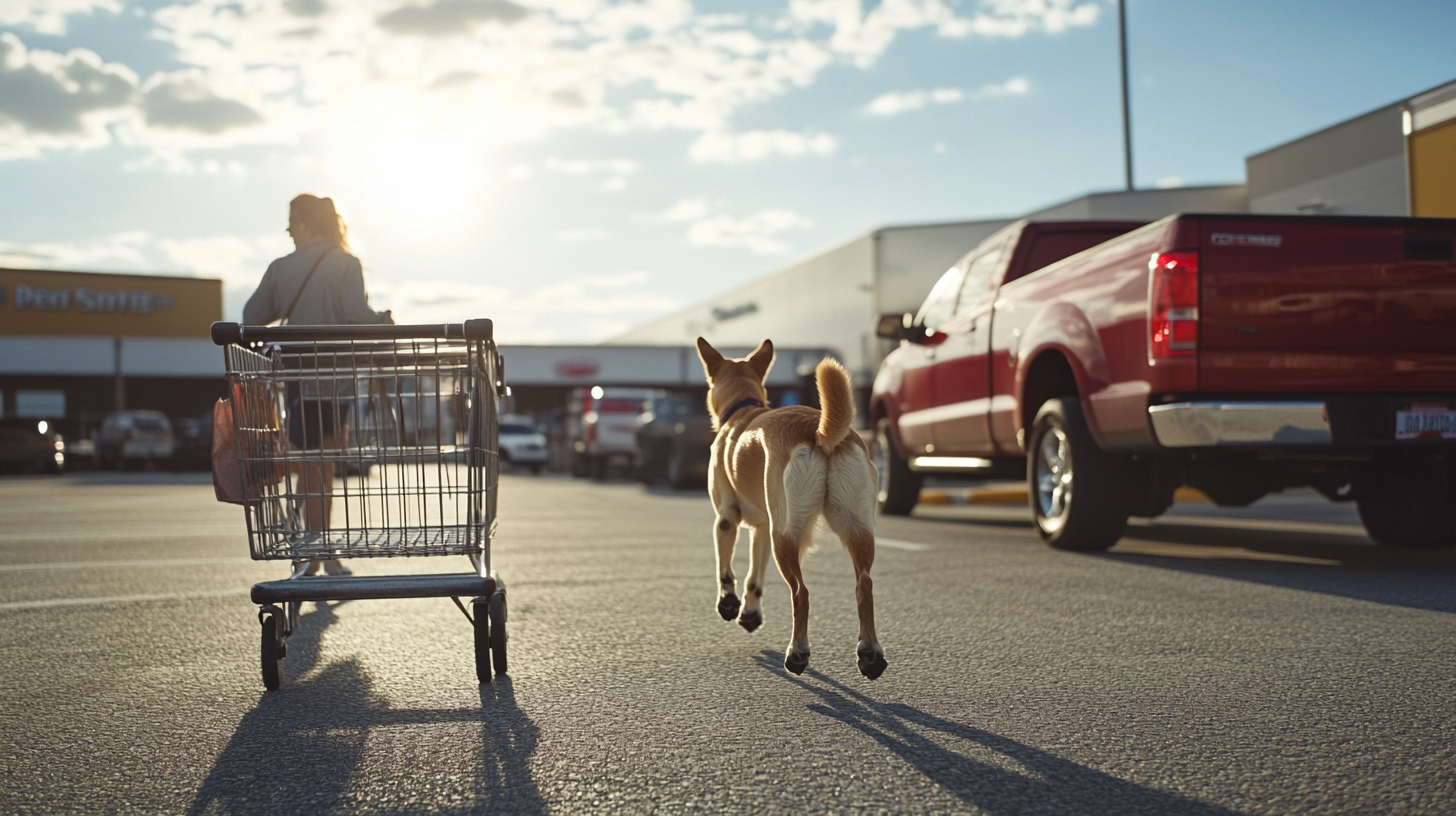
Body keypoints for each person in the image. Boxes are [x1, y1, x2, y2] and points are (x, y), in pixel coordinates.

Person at [244, 194, 393, 577]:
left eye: (292, 222)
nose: (289, 230)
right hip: (336, 378)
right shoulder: (346, 263)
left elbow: (252, 315)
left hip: (298, 378)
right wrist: (384, 320)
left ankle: (313, 547)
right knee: (322, 466)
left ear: (306, 223)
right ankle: (321, 551)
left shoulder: (282, 268)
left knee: (310, 465)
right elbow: (355, 314)